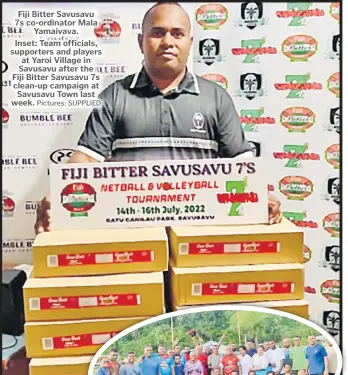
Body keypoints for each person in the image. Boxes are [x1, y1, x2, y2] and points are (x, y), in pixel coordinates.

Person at [34, 2, 282, 235]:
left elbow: (240, 162)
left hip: (197, 236)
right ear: (141, 41)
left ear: (190, 42)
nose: (167, 41)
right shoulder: (114, 96)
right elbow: (87, 157)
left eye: (177, 33)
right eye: (158, 32)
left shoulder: (216, 97)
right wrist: (61, 194)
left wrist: (261, 195)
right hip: (133, 236)